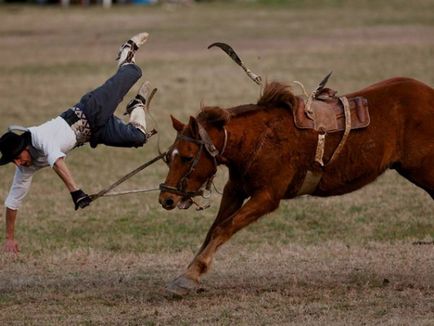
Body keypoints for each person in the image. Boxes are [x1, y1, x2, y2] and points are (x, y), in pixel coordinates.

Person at [0, 32, 154, 254]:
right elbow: (12, 203)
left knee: (133, 72)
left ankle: (126, 53)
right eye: (13, 162)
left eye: (17, 158)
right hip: (92, 134)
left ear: (24, 147)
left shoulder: (38, 137)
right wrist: (9, 239)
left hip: (91, 110)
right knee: (139, 137)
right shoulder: (26, 167)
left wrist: (76, 191)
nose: (18, 164)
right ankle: (136, 106)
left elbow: (57, 161)